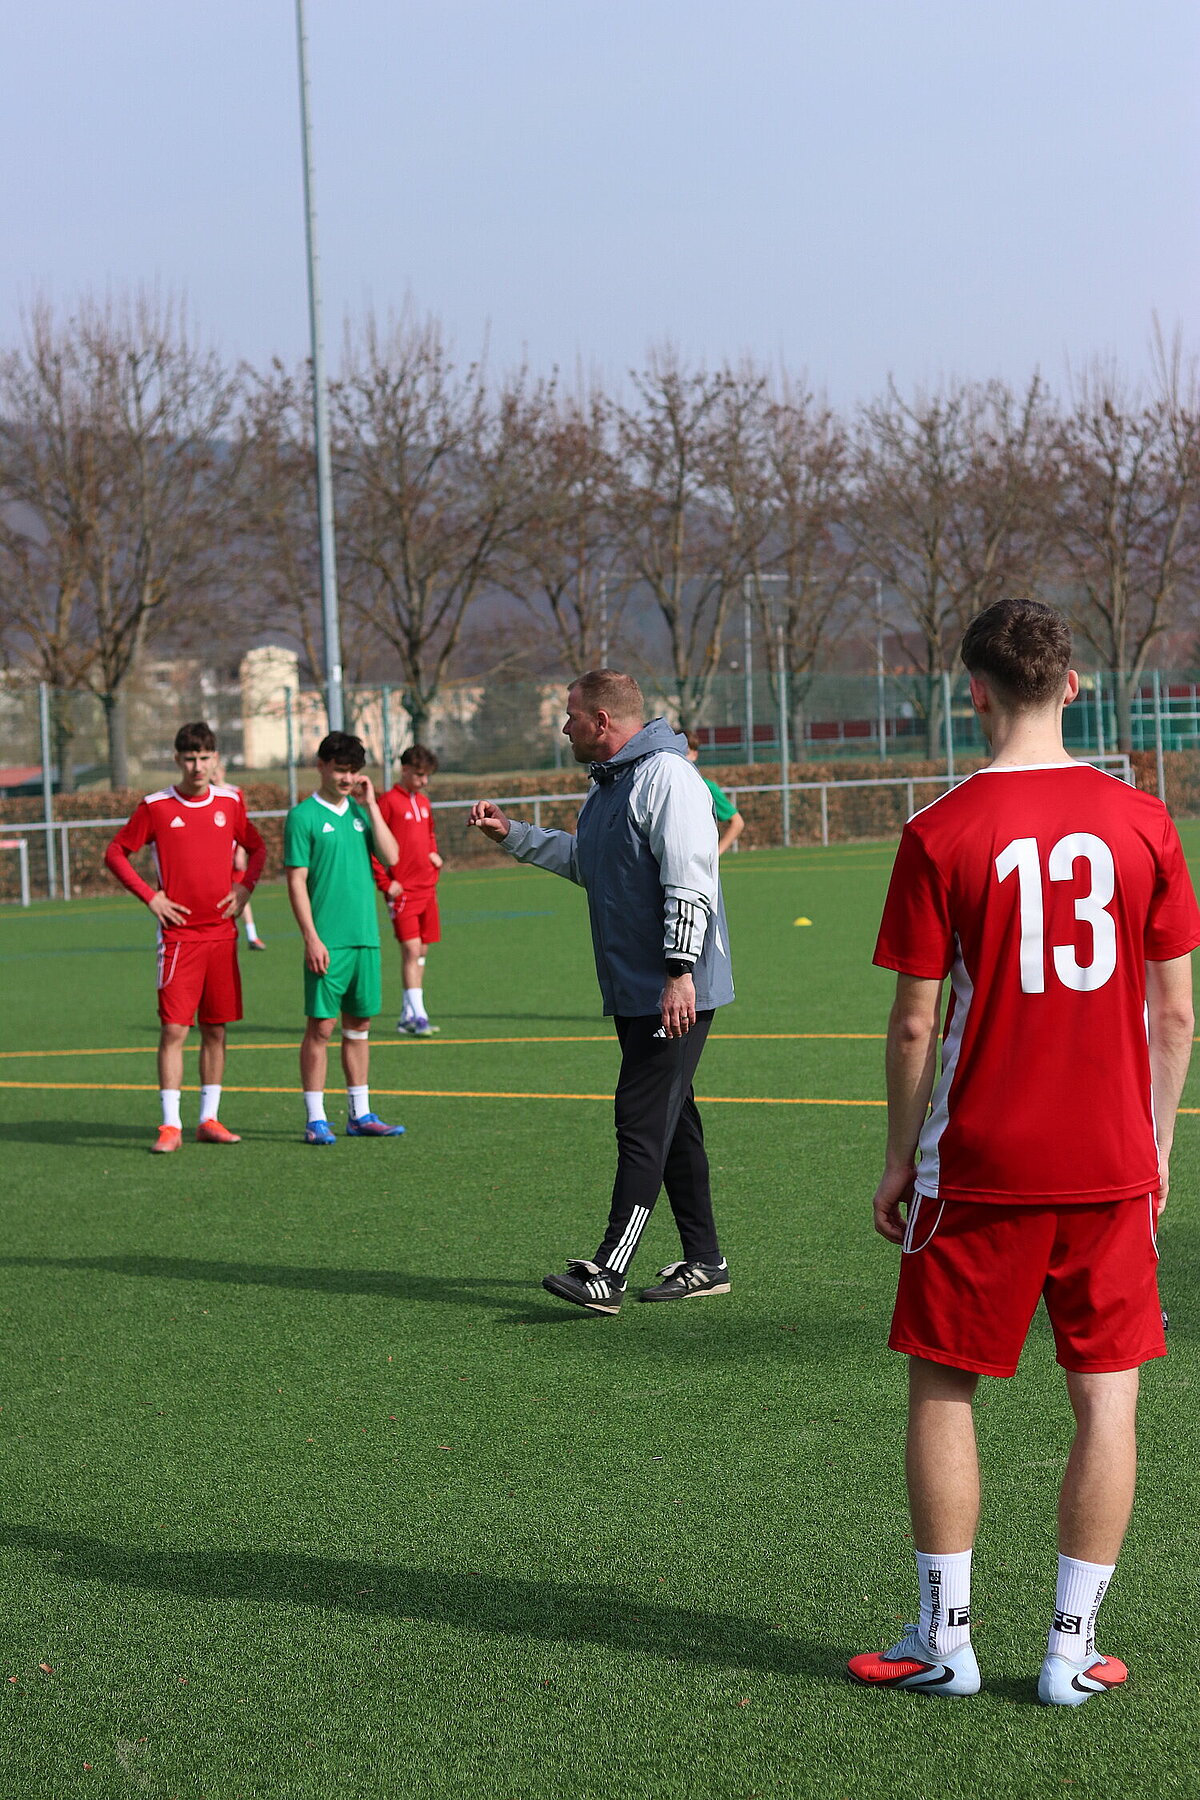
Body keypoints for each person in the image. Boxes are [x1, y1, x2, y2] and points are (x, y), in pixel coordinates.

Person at [850, 598, 1200, 1706]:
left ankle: (944, 1641)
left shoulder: (940, 831)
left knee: (944, 1387)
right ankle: (1070, 1650)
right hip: (1111, 1163)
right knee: (1107, 1402)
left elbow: (916, 1024)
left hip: (980, 1165)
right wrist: (1156, 1144)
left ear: (975, 692)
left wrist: (899, 1159)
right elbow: (1175, 1015)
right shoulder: (1145, 822)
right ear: (1075, 686)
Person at [469, 670, 735, 1313]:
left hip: (674, 985)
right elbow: (590, 864)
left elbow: (690, 878)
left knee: (640, 1119)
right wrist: (515, 835)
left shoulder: (668, 777)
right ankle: (706, 1261)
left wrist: (679, 973)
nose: (565, 727)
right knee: (672, 1122)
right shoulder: (610, 785)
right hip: (638, 986)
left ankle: (608, 1273)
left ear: (603, 721)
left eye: (571, 715)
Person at [104, 721, 267, 1153]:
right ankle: (170, 1125)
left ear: (216, 760)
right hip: (179, 939)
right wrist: (150, 897)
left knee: (216, 1029)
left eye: (204, 758)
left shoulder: (231, 801)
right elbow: (115, 852)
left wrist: (245, 888)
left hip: (222, 936)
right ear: (177, 760)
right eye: (190, 758)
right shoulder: (156, 806)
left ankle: (208, 1119)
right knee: (174, 1030)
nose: (197, 767)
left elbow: (258, 848)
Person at [283, 731, 406, 1145]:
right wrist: (311, 938)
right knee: (321, 1028)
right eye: (340, 770)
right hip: (328, 942)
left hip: (365, 939)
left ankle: (360, 1113)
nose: (347, 778)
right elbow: (296, 882)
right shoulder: (302, 817)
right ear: (321, 767)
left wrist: (371, 805)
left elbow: (391, 857)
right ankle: (316, 1118)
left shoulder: (360, 811)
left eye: (353, 771)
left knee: (360, 1026)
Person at [373, 745, 444, 1035]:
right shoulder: (388, 802)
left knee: (421, 951)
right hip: (402, 892)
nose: (424, 781)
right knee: (412, 950)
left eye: (427, 776)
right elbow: (373, 847)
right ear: (404, 770)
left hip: (427, 888)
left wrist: (433, 854)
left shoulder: (424, 803)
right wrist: (385, 882)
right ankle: (420, 1016)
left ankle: (407, 1017)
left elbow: (429, 835)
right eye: (419, 775)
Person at [214, 757, 266, 950]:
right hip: (216, 853)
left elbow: (243, 825)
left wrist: (241, 852)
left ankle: (252, 936)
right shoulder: (206, 794)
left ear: (222, 772)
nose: (213, 776)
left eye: (216, 772)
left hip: (233, 849)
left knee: (239, 890)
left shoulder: (234, 793)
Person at [684, 730, 744, 853]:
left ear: (695, 755)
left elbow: (737, 822)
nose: (682, 758)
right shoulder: (665, 786)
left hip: (696, 860)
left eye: (686, 753)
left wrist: (716, 853)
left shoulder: (706, 786)